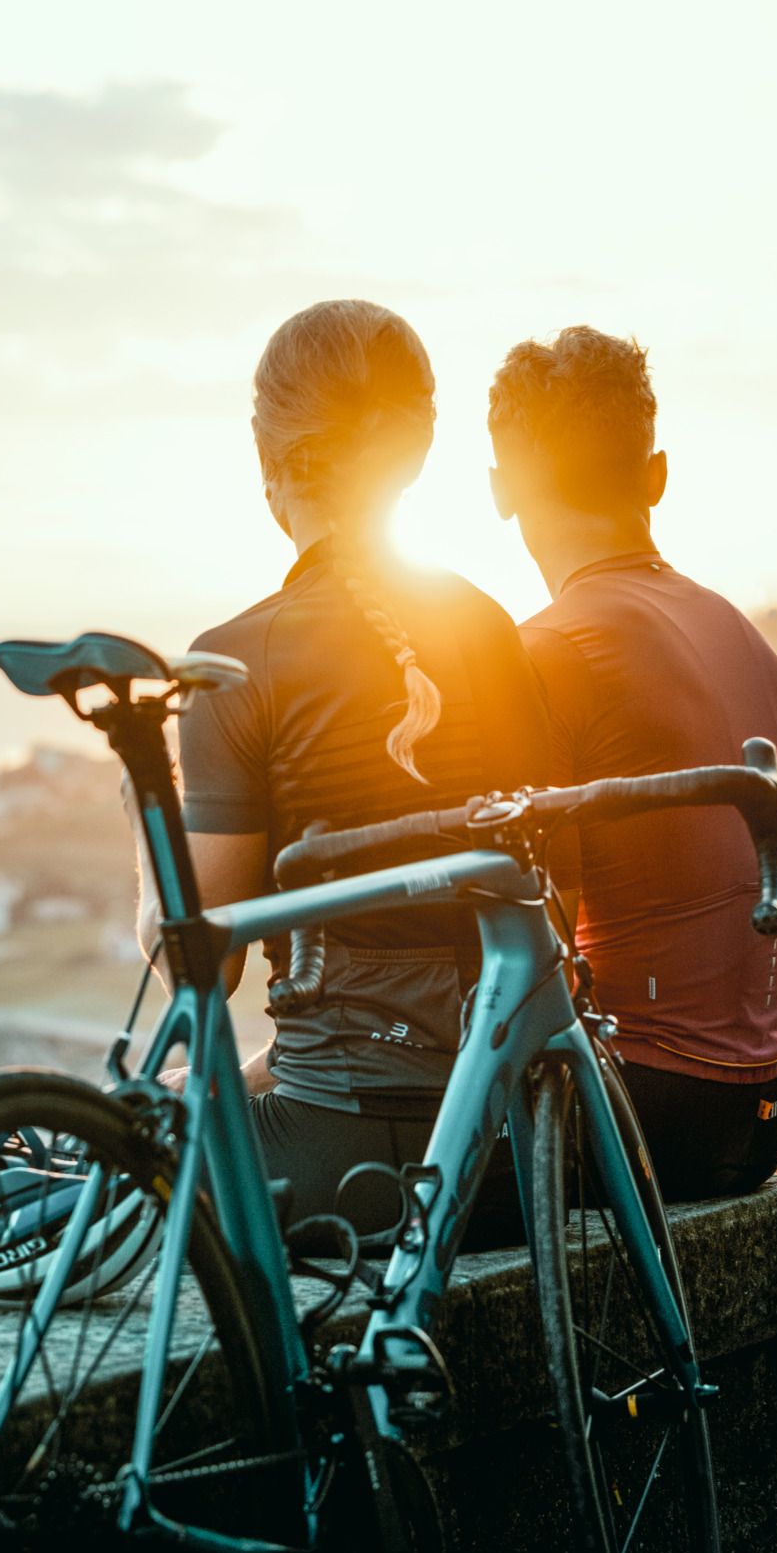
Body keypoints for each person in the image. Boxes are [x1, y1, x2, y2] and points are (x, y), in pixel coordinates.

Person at [145, 299, 555, 1243]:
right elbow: (548, 894)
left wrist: (147, 804)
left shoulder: (235, 661)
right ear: (414, 452)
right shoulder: (488, 628)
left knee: (4, 1207)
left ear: (269, 466)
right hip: (508, 1155)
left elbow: (195, 964)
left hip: (331, 1165)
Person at [487, 325, 777, 1200]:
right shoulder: (747, 639)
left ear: (502, 491)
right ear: (656, 475)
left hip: (639, 1114)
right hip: (770, 1112)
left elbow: (538, 939)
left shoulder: (544, 651)